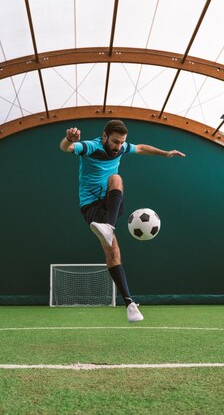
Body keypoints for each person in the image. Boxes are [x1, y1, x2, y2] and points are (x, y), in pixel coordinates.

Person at [59, 119, 185, 322]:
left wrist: (166, 153)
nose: (118, 147)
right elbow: (67, 148)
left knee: (116, 179)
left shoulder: (122, 147)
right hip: (90, 206)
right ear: (105, 136)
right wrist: (68, 139)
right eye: (115, 142)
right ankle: (130, 304)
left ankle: (108, 226)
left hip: (110, 200)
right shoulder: (92, 146)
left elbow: (142, 148)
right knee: (113, 251)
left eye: (121, 143)